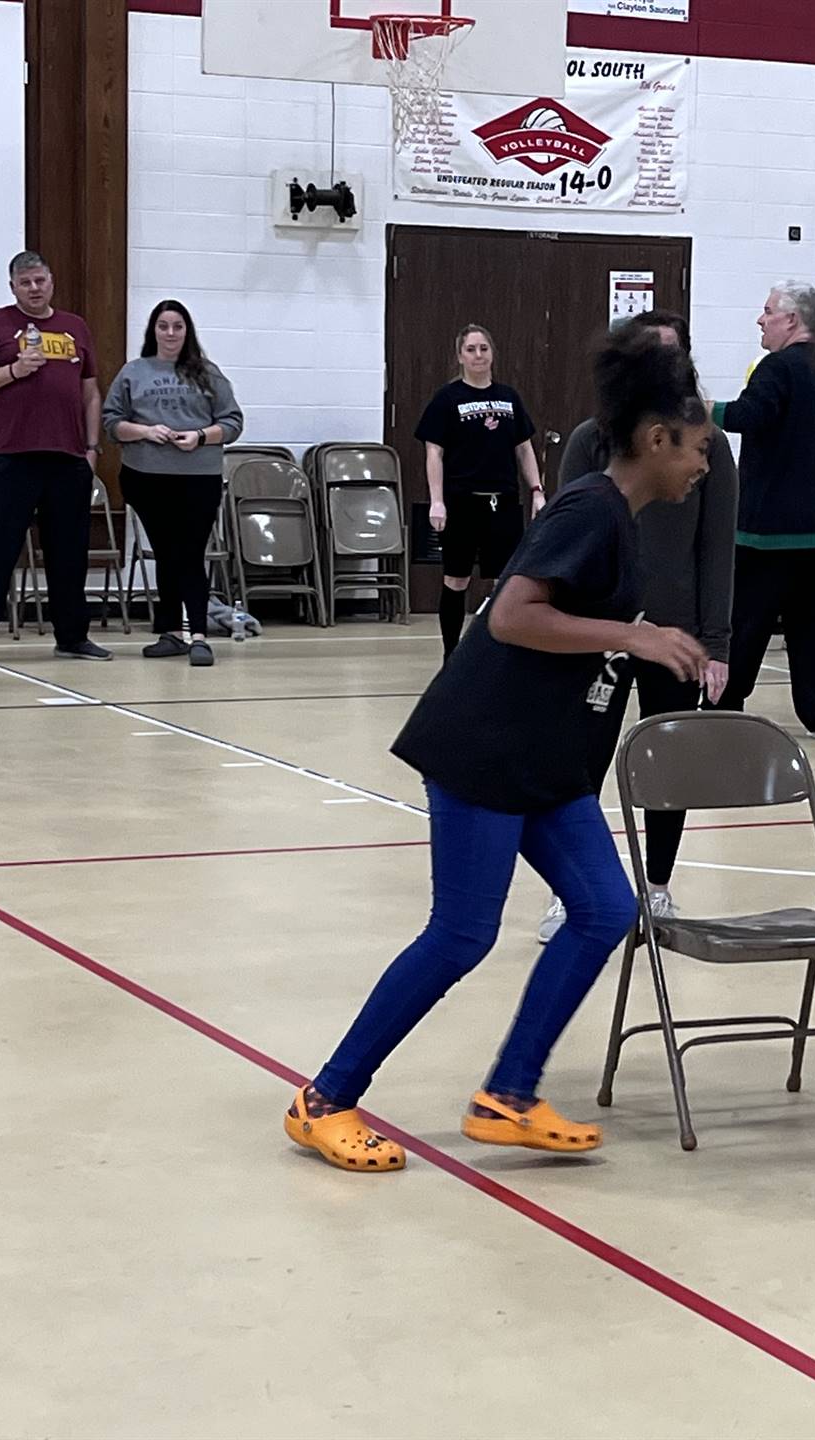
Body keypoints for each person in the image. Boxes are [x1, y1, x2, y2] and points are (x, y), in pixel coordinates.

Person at [284, 327, 712, 1174]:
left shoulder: (621, 518)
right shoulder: (589, 507)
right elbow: (513, 614)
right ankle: (323, 1099)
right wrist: (637, 634)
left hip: (545, 761)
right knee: (462, 934)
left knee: (603, 910)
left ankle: (508, 1095)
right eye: (699, 449)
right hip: (487, 747)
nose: (704, 464)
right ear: (657, 440)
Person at [537, 310, 738, 941]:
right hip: (600, 631)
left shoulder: (711, 443)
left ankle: (657, 886)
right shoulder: (588, 441)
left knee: (665, 765)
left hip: (677, 631)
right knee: (580, 762)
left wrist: (716, 642)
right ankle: (571, 892)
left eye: (675, 356)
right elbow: (563, 542)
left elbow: (717, 545)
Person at [0, 250, 107, 666]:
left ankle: (72, 636)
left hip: (68, 458)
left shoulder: (75, 328)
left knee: (69, 554)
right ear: (12, 287)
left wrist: (91, 448)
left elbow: (90, 391)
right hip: (11, 456)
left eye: (40, 281)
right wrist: (13, 371)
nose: (34, 289)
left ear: (51, 282)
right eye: (25, 283)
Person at [713, 281, 815, 742]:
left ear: (791, 320)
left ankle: (725, 703)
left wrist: (702, 410)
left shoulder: (777, 367)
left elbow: (748, 416)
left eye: (767, 310)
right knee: (813, 620)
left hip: (768, 530)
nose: (761, 319)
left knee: (748, 619)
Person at [103, 300, 245, 667]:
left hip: (197, 477)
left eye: (177, 326)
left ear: (187, 331)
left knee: (188, 553)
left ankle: (197, 632)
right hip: (146, 477)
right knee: (167, 553)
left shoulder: (207, 373)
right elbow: (112, 423)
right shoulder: (134, 371)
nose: (170, 333)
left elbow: (232, 423)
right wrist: (146, 431)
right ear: (153, 330)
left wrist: (200, 435)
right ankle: (171, 632)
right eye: (163, 326)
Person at [416, 325, 545, 661]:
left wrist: (537, 490)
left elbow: (524, 448)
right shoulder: (447, 399)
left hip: (502, 500)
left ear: (492, 354)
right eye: (471, 349)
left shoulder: (509, 397)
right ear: (460, 356)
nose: (478, 355)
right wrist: (438, 501)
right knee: (456, 578)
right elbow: (434, 453)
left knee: (505, 582)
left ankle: (496, 651)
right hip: (461, 500)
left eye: (483, 349)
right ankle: (450, 654)